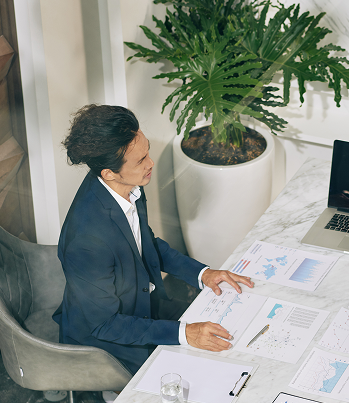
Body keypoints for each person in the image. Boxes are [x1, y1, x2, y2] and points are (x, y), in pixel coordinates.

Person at [53, 105, 253, 379]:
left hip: (143, 305)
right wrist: (185, 333)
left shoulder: (130, 186)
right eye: (140, 160)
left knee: (230, 336)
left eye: (147, 152)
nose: (151, 163)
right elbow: (104, 325)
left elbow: (146, 244)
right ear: (109, 173)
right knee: (206, 372)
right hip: (110, 341)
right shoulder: (86, 241)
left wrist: (203, 273)